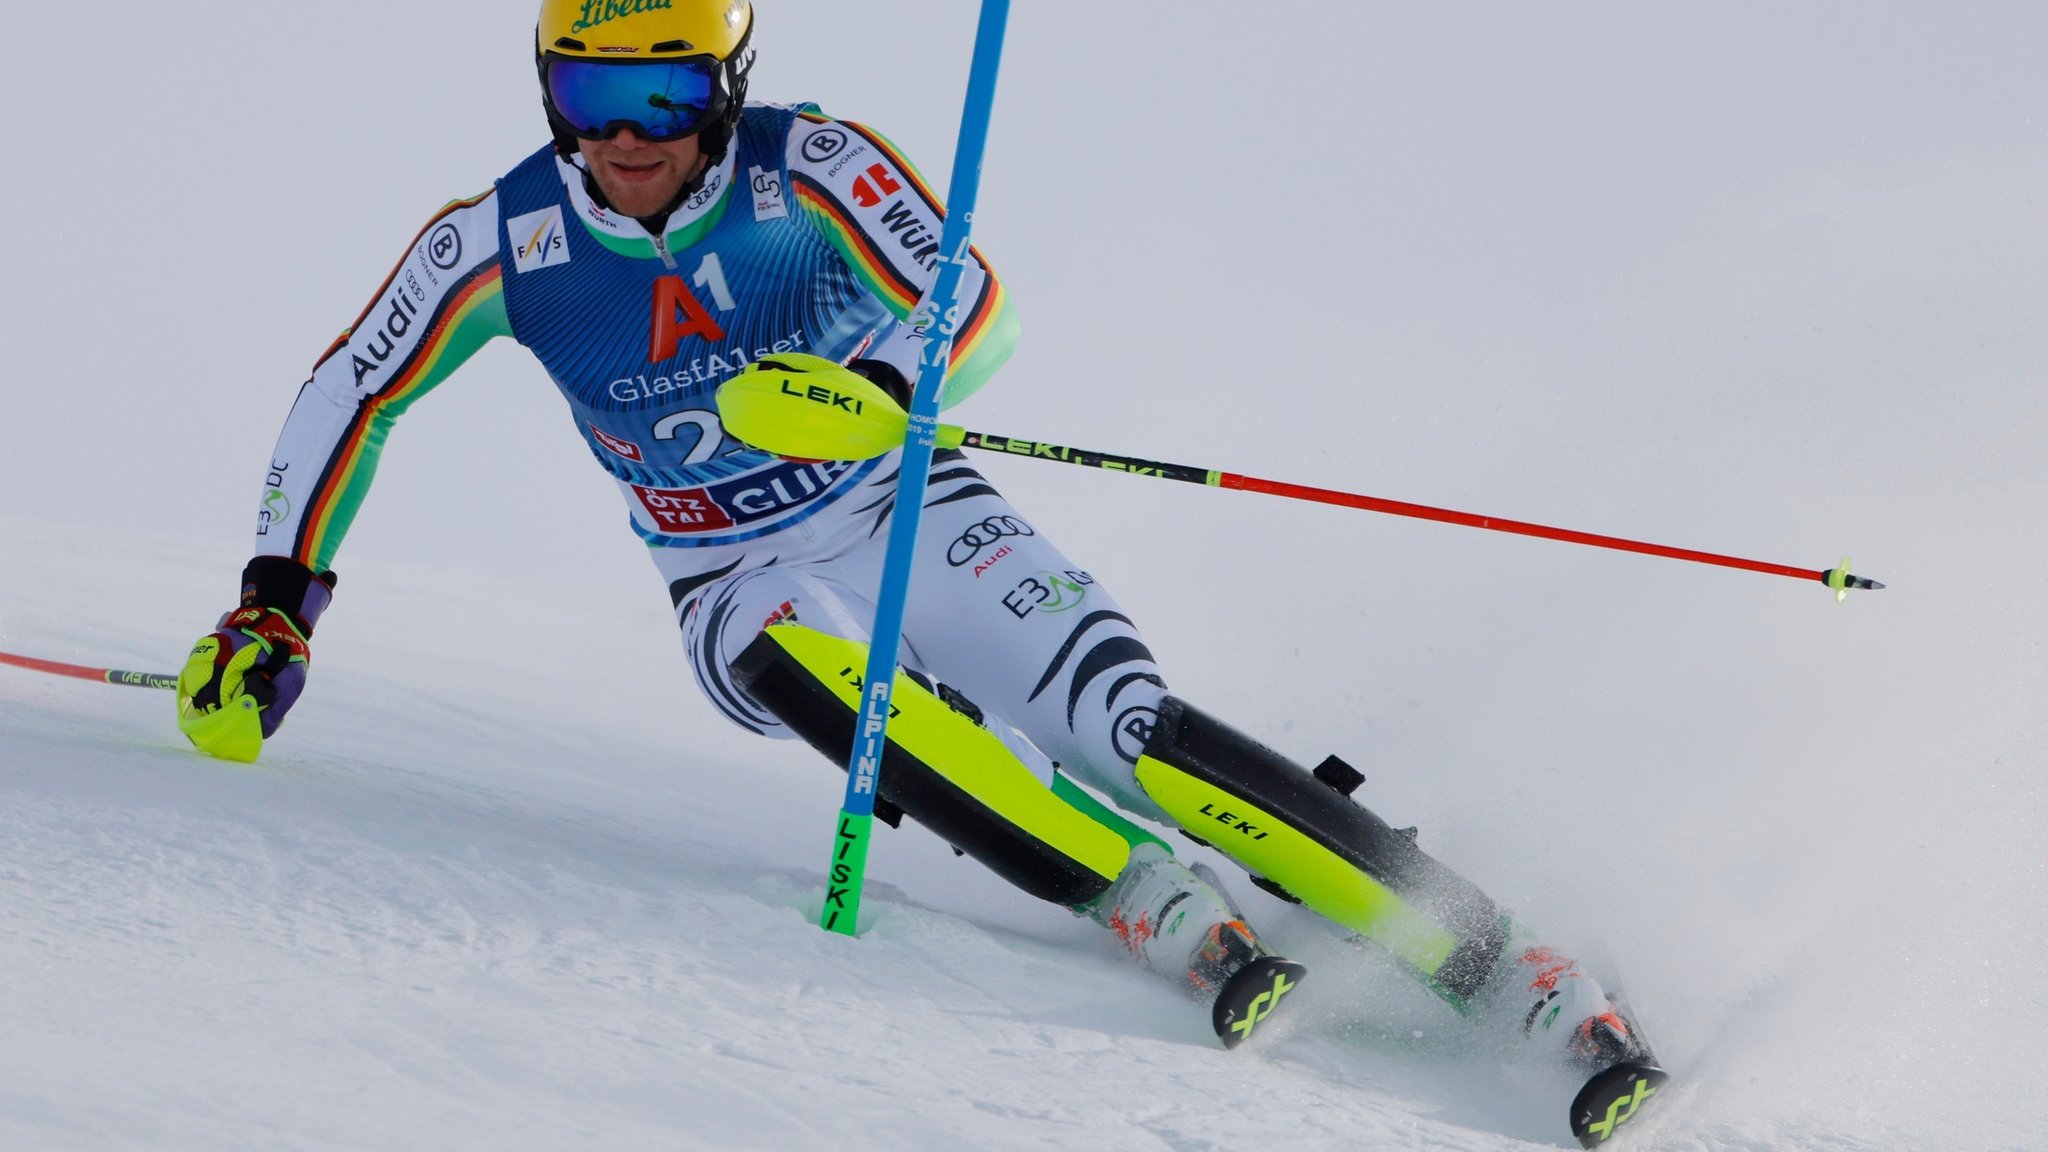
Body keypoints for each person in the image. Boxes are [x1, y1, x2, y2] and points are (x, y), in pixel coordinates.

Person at [174, 0, 1660, 1125]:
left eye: (666, 91)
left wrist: (883, 383)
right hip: (726, 573)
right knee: (830, 678)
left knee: (1126, 727)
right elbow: (349, 394)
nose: (628, 136)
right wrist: (273, 610)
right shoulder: (498, 243)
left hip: (901, 495)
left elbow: (973, 291)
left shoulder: (806, 164)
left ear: (724, 85)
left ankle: (1513, 969)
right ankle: (1143, 902)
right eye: (591, 94)